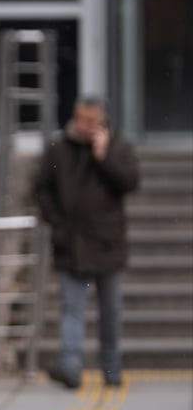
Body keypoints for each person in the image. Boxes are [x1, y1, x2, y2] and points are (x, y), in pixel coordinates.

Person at [34, 95, 140, 389]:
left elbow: (130, 182)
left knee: (110, 310)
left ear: (102, 120)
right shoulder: (59, 149)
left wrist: (103, 157)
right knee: (72, 306)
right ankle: (70, 365)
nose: (83, 126)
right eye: (80, 119)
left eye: (90, 121)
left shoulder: (117, 146)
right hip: (71, 241)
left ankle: (111, 366)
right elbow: (42, 188)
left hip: (107, 241)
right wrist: (56, 222)